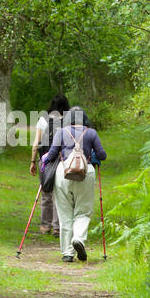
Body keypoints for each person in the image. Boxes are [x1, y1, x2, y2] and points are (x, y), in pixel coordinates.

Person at [40, 106, 106, 262]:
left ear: (68, 118)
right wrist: (93, 154)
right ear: (84, 118)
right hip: (85, 173)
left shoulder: (61, 132)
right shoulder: (91, 133)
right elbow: (102, 155)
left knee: (64, 214)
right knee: (83, 212)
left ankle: (67, 253)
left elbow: (52, 155)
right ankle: (78, 239)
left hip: (63, 173)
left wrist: (43, 159)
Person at [30, 94, 70, 235]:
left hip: (46, 159)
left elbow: (36, 143)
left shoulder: (43, 120)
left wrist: (33, 162)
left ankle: (45, 226)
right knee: (60, 193)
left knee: (46, 192)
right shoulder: (69, 120)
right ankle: (57, 227)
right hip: (64, 161)